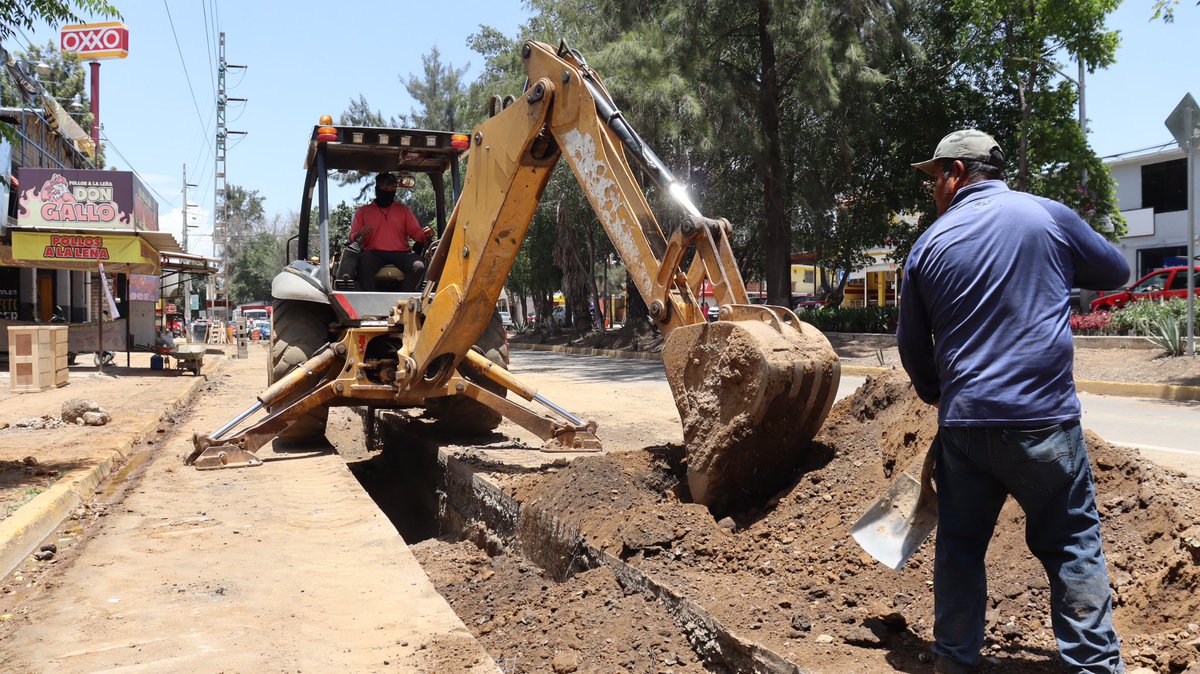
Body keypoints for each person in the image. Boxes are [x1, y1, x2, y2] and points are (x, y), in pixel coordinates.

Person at [898, 130, 1130, 674]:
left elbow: (912, 348)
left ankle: (954, 662)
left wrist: (941, 395)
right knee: (1072, 542)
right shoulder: (1047, 217)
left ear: (957, 172)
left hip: (967, 428)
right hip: (1045, 424)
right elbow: (1116, 271)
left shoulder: (928, 245)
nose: (934, 189)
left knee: (960, 546)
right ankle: (1094, 667)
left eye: (935, 177)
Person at [349, 172, 434, 291]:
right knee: (363, 263)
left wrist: (426, 234)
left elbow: (416, 232)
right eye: (384, 187)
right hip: (374, 253)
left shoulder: (404, 211)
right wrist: (359, 233)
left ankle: (404, 300)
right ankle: (370, 299)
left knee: (418, 266)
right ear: (377, 188)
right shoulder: (363, 211)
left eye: (392, 188)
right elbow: (352, 237)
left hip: (401, 254)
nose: (388, 190)